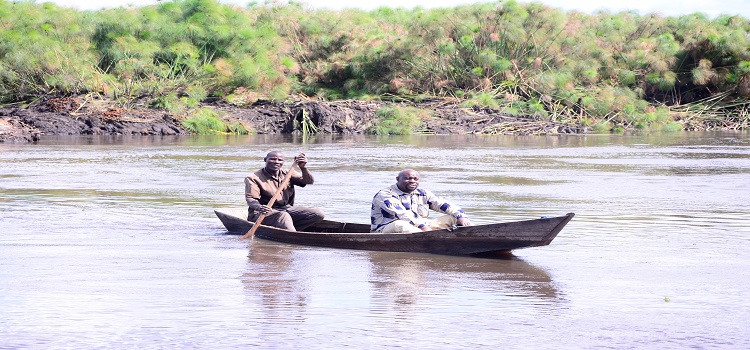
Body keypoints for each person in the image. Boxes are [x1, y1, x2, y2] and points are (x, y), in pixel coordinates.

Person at [370, 169, 473, 233]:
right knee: (400, 224)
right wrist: (423, 227)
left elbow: (443, 204)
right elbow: (402, 214)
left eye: (416, 179)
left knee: (452, 218)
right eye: (408, 178)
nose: (412, 181)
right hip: (385, 230)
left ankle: (475, 235)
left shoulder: (423, 193)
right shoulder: (385, 195)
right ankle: (431, 241)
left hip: (421, 227)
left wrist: (461, 217)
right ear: (398, 179)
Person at [244, 151, 325, 231]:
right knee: (283, 216)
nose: (276, 162)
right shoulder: (253, 178)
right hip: (262, 213)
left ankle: (290, 229)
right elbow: (251, 199)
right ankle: (291, 234)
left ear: (283, 162)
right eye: (272, 159)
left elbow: (308, 181)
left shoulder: (288, 173)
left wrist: (303, 168)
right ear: (265, 160)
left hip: (286, 209)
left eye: (280, 160)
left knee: (318, 214)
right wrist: (260, 207)